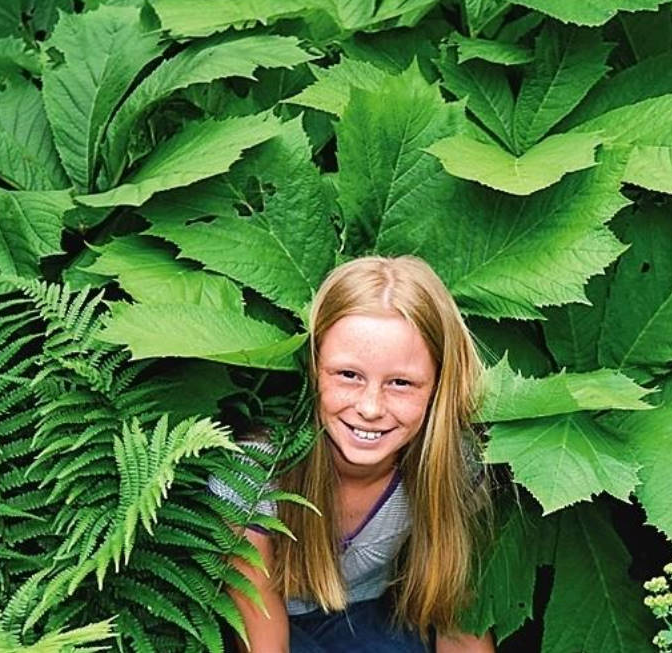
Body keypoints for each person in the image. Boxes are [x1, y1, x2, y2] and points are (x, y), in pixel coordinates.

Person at [212, 255, 494, 652]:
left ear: (438, 387)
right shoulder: (255, 471)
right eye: (349, 375)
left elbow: (456, 616)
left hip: (371, 615)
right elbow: (261, 637)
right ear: (314, 368)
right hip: (274, 624)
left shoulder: (453, 463)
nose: (371, 407)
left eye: (401, 383)